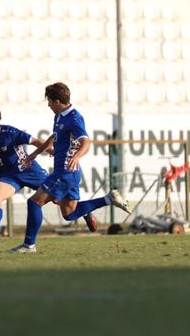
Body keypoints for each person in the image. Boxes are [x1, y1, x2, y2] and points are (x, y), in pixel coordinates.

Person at [9, 82, 132, 253]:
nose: (48, 105)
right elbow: (54, 137)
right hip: (70, 173)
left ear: (57, 101)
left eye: (50, 101)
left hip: (65, 172)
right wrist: (35, 154)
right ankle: (108, 199)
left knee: (34, 202)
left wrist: (77, 155)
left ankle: (29, 245)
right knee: (69, 213)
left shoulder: (74, 118)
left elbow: (86, 141)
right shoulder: (59, 116)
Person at [0, 104, 99, 247]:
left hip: (30, 171)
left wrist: (51, 151)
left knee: (60, 201)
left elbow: (34, 141)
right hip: (9, 176)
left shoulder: (10, 132)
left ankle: (85, 212)